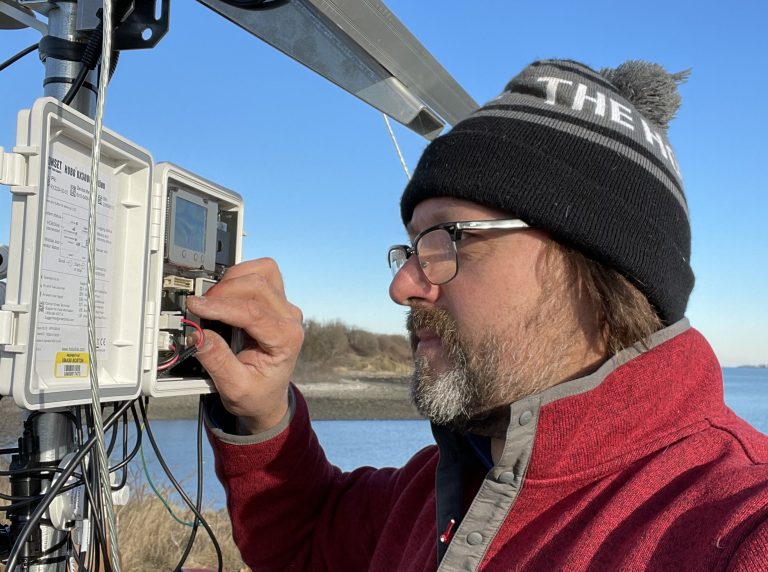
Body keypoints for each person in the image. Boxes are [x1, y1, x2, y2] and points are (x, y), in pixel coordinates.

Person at [186, 59, 768, 571]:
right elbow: (309, 543)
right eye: (411, 248)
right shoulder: (443, 484)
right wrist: (262, 415)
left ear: (592, 261)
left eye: (444, 241)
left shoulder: (735, 527)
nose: (402, 286)